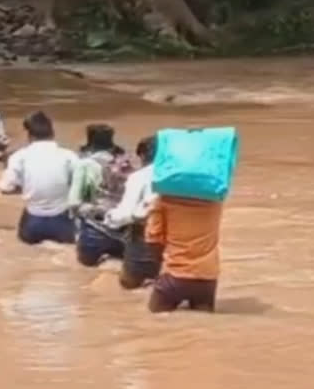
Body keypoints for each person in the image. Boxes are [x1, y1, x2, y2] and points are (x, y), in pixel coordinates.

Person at [0, 111, 78, 245]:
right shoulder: (69, 156)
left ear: (30, 135)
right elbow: (79, 187)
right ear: (52, 133)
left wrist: (22, 188)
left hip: (33, 224)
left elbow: (5, 188)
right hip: (62, 223)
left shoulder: (19, 157)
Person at [145, 195, 224, 313]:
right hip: (207, 279)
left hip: (175, 277)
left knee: (154, 314)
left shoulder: (163, 200)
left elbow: (153, 239)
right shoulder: (215, 201)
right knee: (203, 323)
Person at [70, 124, 132, 266]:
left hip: (94, 235)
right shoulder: (125, 164)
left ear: (90, 143)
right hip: (124, 237)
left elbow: (73, 203)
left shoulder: (84, 164)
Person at [105, 135, 162, 289]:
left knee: (126, 285)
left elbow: (124, 215)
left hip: (145, 248)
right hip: (175, 252)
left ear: (143, 156)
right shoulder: (180, 176)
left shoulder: (139, 177)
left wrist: (109, 217)